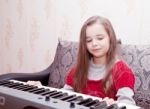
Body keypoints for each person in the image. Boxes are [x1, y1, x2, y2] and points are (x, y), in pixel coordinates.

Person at [62, 15, 136, 105]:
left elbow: (128, 103)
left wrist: (114, 105)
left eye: (100, 38)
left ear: (110, 38)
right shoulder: (78, 68)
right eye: (89, 40)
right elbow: (64, 94)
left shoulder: (122, 70)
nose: (94, 43)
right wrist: (40, 89)